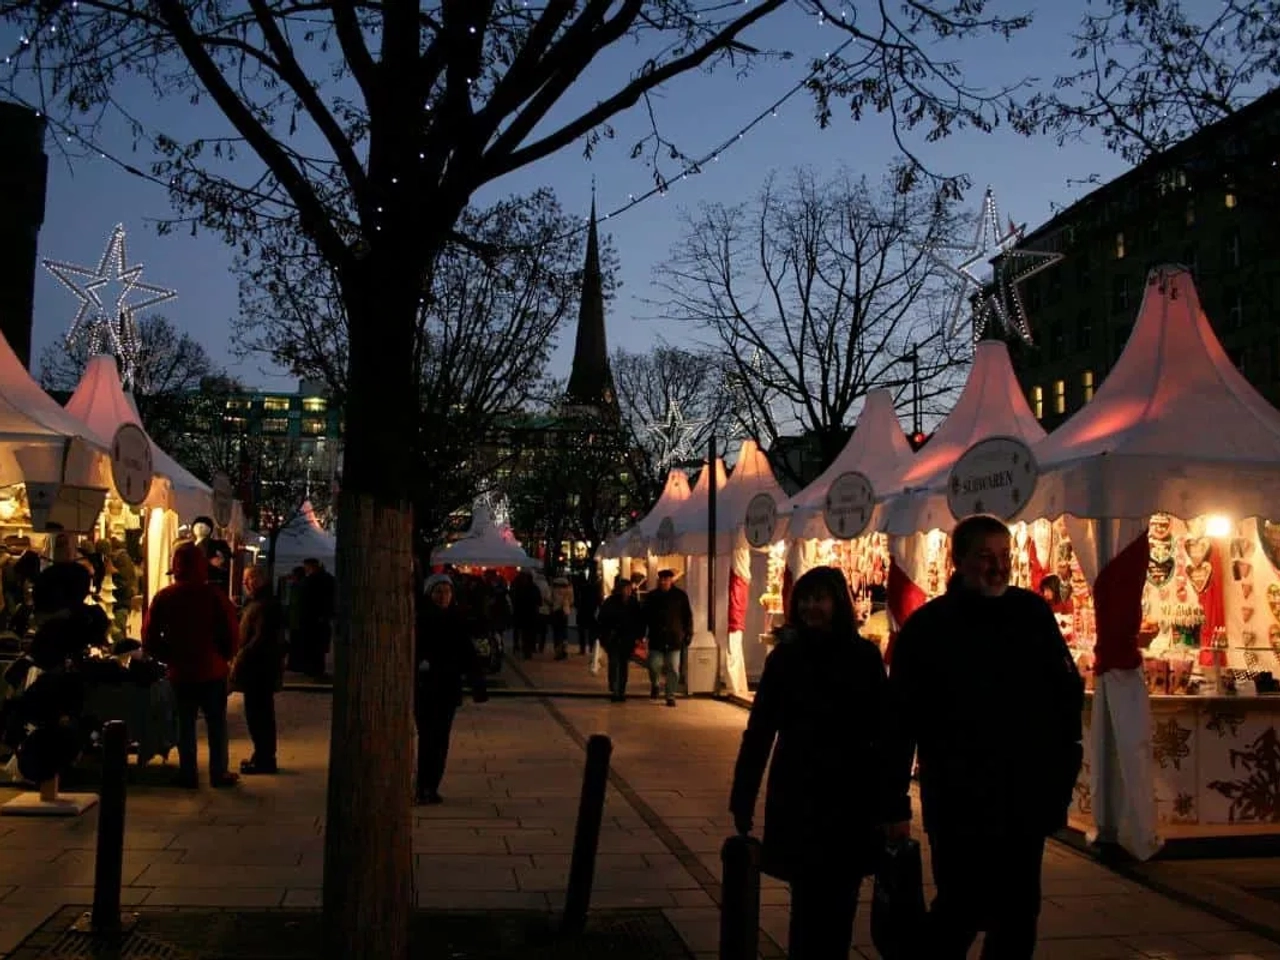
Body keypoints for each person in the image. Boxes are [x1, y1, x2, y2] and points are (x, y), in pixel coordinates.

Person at [885, 514, 1084, 960]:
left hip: (1023, 797)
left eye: (1004, 555)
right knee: (960, 908)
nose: (997, 567)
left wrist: (1059, 776)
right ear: (958, 560)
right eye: (984, 556)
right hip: (958, 797)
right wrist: (894, 801)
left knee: (1018, 914)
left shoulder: (1031, 614)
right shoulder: (929, 628)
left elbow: (1065, 697)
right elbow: (900, 721)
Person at [729, 566, 899, 959]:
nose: (810, 607)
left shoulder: (863, 657)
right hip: (799, 791)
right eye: (804, 599)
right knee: (806, 901)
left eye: (819, 598)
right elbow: (759, 732)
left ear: (837, 602)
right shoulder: (784, 659)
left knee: (841, 899)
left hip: (851, 795)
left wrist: (892, 805)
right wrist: (743, 795)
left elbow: (885, 733)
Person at [142, 542, 241, 789]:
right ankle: (218, 772)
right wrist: (225, 656)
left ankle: (188, 773)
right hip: (212, 669)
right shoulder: (214, 596)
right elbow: (231, 632)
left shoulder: (165, 597)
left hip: (181, 671)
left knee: (185, 724)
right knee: (216, 724)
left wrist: (167, 656)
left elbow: (149, 636)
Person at [415, 573, 488, 805]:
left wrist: (477, 684)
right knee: (428, 738)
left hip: (448, 689)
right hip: (425, 689)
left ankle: (432, 785)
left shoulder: (457, 620)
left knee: (441, 739)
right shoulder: (421, 620)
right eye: (438, 592)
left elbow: (468, 654)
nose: (443, 596)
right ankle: (423, 785)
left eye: (447, 592)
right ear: (430, 594)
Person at [231, 565, 287, 774]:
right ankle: (262, 755)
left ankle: (265, 758)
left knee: (259, 715)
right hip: (258, 668)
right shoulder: (258, 603)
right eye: (245, 578)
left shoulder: (266, 605)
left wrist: (241, 658)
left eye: (251, 577)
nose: (246, 582)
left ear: (262, 579)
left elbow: (260, 639)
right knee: (258, 714)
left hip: (259, 669)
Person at [642, 568, 692, 706]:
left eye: (667, 579)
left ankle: (670, 695)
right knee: (653, 665)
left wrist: (688, 633)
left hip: (674, 638)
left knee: (673, 668)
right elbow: (644, 616)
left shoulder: (680, 596)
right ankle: (655, 683)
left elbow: (687, 616)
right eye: (662, 580)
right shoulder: (652, 596)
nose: (664, 582)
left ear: (671, 580)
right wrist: (642, 634)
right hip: (656, 638)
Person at [597, 576, 644, 702]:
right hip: (613, 639)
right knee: (614, 663)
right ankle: (614, 688)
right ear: (620, 589)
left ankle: (621, 690)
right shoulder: (610, 602)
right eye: (626, 588)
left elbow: (639, 621)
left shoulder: (633, 603)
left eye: (629, 588)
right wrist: (603, 637)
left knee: (623, 665)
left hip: (627, 639)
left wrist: (639, 636)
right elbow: (602, 620)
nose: (628, 591)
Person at [298, 558, 336, 680]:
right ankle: (316, 670)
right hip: (319, 618)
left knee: (313, 646)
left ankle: (314, 671)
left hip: (313, 618)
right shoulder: (326, 579)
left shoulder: (312, 581)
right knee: (318, 647)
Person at [574, 572, 600, 657]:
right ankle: (591, 647)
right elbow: (597, 600)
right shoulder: (594, 588)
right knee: (591, 632)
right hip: (591, 612)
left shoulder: (581, 588)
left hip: (582, 612)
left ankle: (583, 649)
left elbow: (577, 601)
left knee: (582, 632)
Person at [549, 576, 574, 661]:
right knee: (564, 632)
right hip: (565, 611)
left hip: (556, 611)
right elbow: (572, 601)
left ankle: (558, 652)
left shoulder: (553, 589)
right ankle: (564, 650)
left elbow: (549, 599)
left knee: (556, 632)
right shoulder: (569, 589)